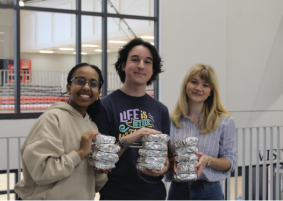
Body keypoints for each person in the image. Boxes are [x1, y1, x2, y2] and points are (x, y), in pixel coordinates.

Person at [14, 63, 107, 200]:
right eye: (80, 81)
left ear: (99, 92)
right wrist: (80, 152)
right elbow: (42, 172)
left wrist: (99, 171)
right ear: (68, 88)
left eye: (93, 84)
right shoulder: (52, 118)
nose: (86, 87)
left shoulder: (92, 126)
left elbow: (95, 184)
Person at [93, 38, 170, 200]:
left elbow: (165, 155)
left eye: (147, 62)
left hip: (153, 194)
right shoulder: (105, 106)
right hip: (116, 193)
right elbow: (100, 162)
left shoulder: (161, 110)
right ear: (123, 65)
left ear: (152, 69)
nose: (141, 65)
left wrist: (165, 167)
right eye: (135, 59)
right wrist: (126, 140)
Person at [166, 64, 237, 200]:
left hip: (210, 192)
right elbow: (165, 162)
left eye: (205, 85)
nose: (198, 88)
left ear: (211, 91)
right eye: (194, 82)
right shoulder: (169, 119)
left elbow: (230, 162)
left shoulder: (224, 121)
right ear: (186, 85)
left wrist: (207, 160)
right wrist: (175, 161)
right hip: (178, 192)